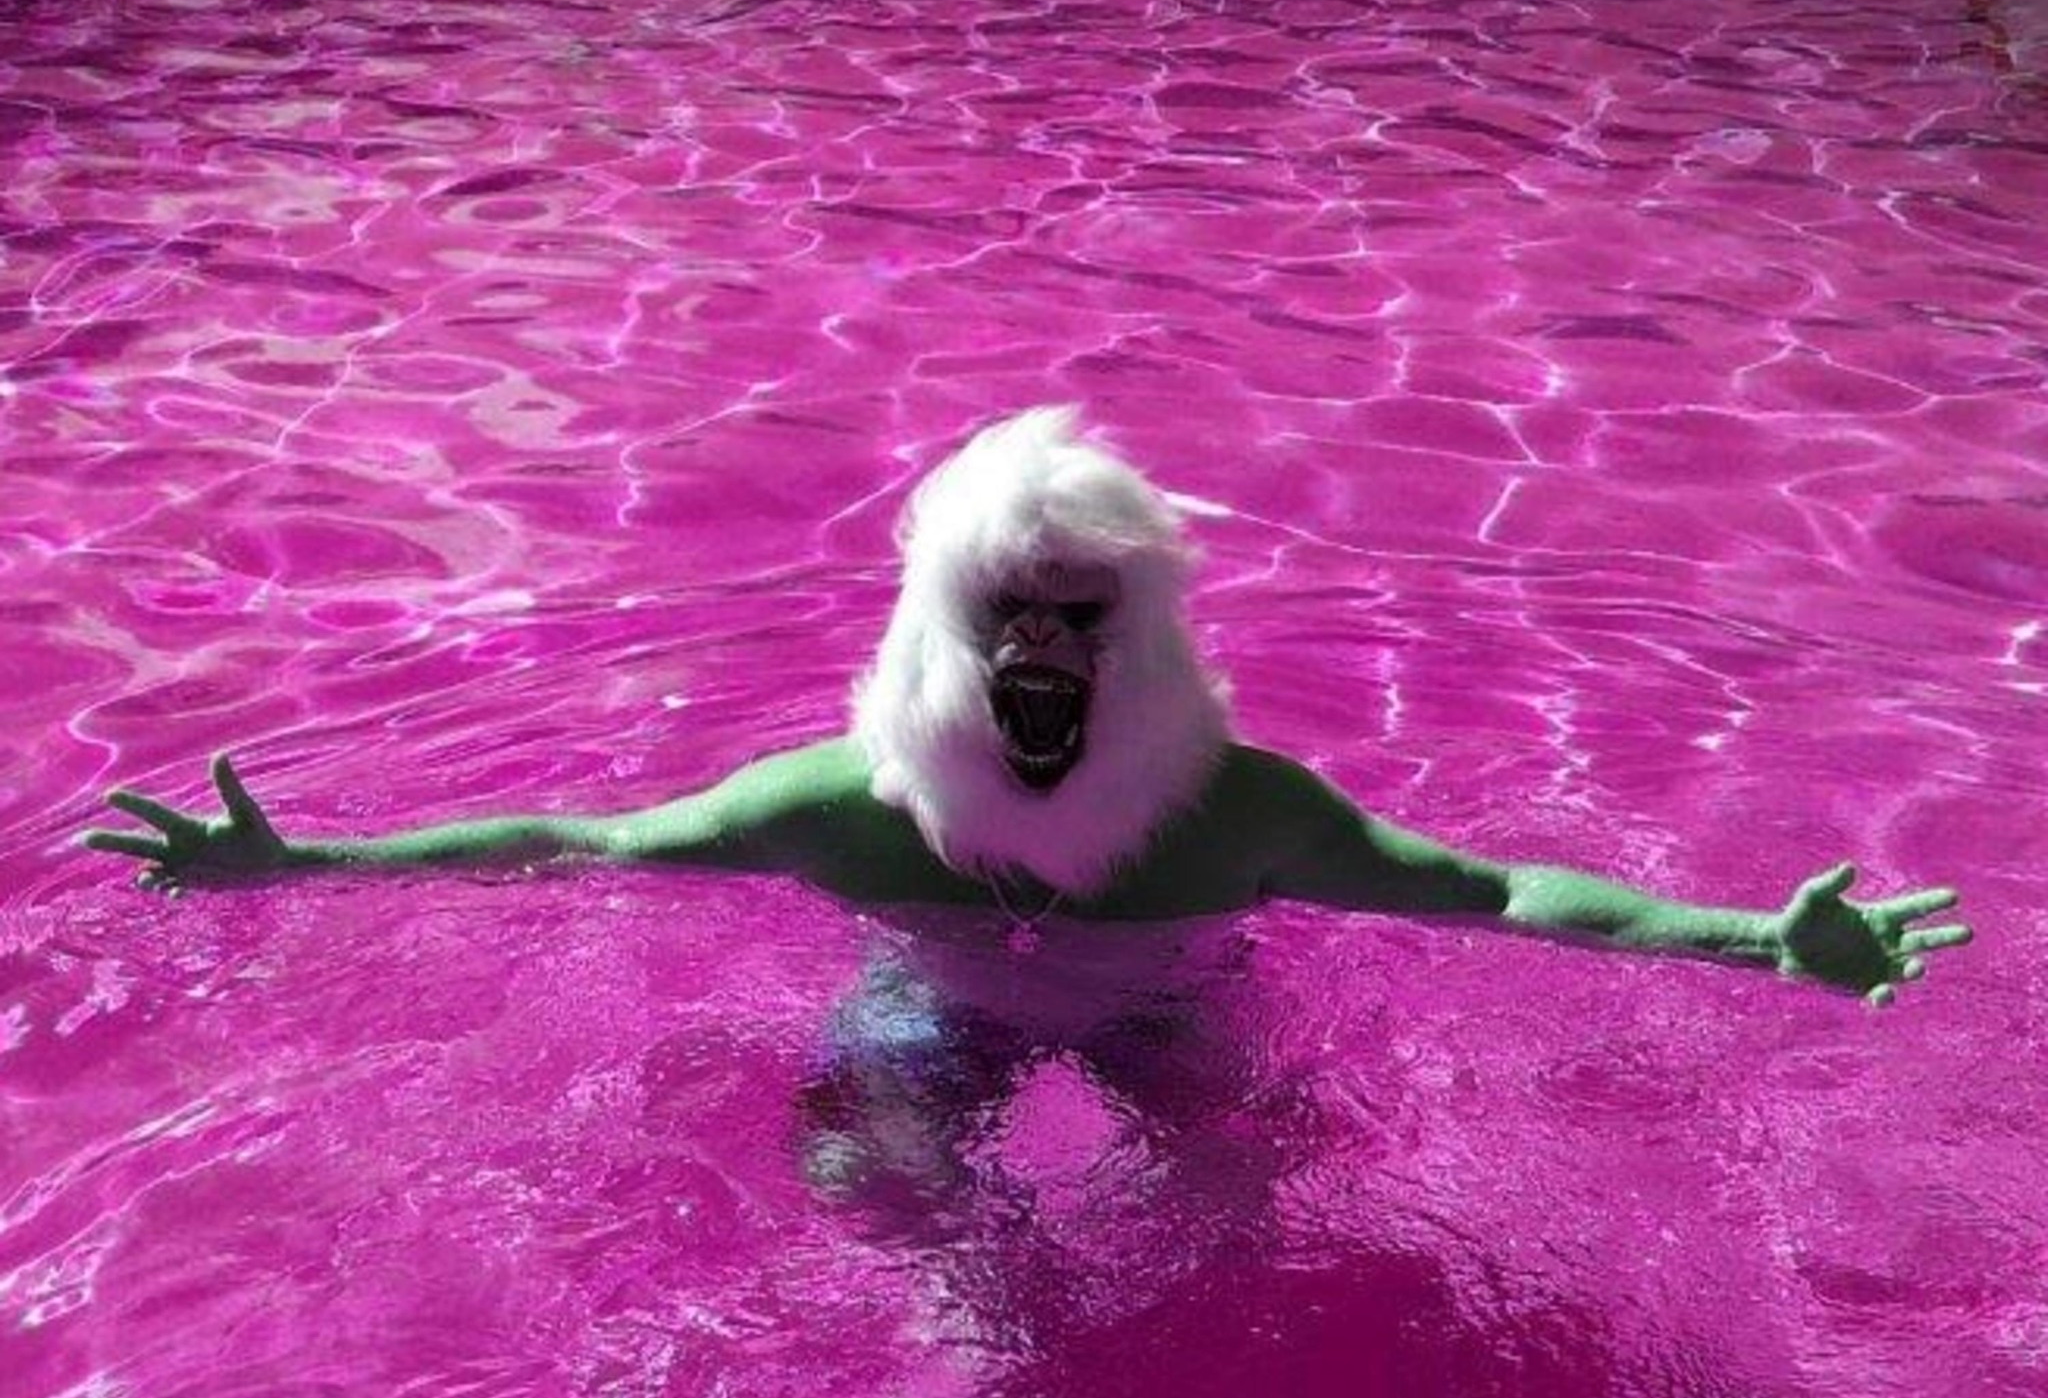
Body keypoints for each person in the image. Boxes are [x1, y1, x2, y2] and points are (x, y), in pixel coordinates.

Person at [84, 407, 1970, 1004]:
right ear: (943, 637)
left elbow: (1484, 893)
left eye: (1081, 620)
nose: (1043, 659)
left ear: (1137, 641)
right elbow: (582, 844)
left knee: (1218, 1236)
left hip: (1175, 1020)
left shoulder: (1234, 815)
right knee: (886, 1201)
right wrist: (307, 866)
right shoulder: (841, 811)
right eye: (1007, 619)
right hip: (930, 1019)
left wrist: (1749, 941)